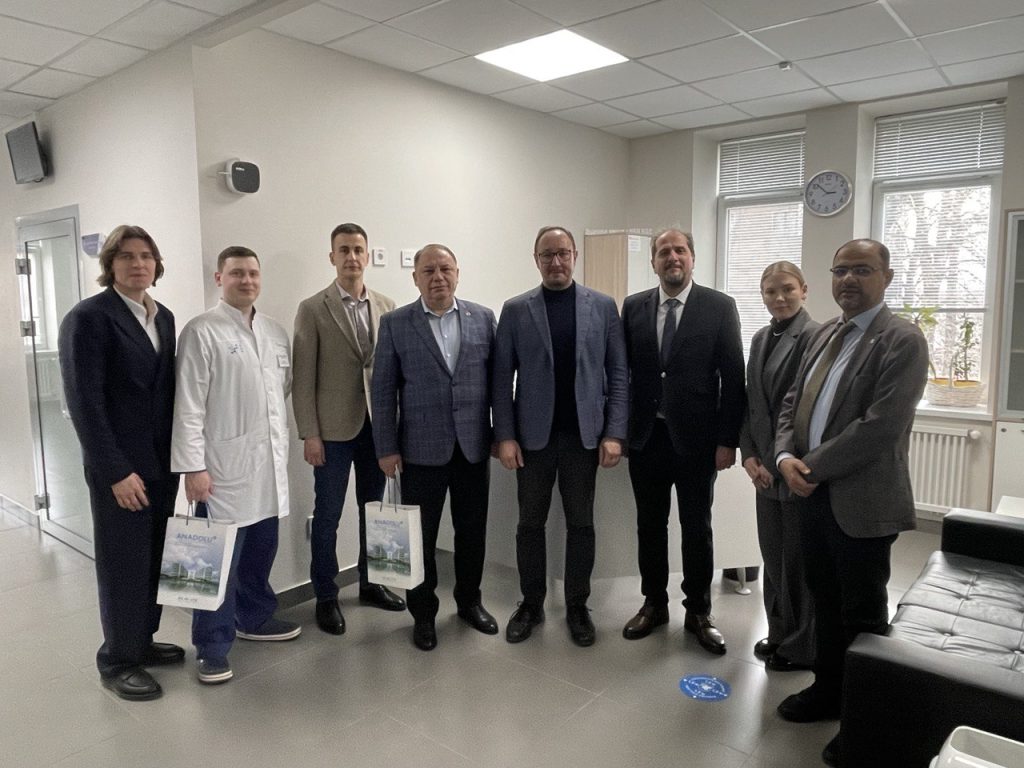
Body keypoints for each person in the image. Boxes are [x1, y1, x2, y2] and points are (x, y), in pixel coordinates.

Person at [774, 238, 928, 766]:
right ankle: (827, 690)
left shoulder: (901, 339)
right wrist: (783, 456)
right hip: (811, 496)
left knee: (861, 613)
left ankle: (864, 722)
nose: (848, 280)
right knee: (823, 598)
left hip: (862, 502)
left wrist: (809, 467)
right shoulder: (824, 333)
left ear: (886, 276)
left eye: (861, 270)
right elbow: (792, 401)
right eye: (840, 270)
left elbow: (880, 427)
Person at [58, 225, 182, 701]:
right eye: (127, 256)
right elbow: (85, 404)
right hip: (120, 468)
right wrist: (115, 472)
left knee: (155, 557)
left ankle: (142, 640)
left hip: (161, 463)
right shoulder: (89, 318)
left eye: (146, 256)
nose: (138, 264)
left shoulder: (163, 317)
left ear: (156, 264)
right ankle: (117, 659)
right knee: (123, 563)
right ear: (110, 264)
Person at [493, 225, 628, 647]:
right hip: (532, 440)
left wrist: (614, 432)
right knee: (529, 524)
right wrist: (505, 436)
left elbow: (618, 374)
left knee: (581, 524)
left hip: (584, 439)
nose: (556, 262)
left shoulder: (602, 307)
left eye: (563, 253)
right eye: (547, 255)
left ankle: (577, 606)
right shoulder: (516, 310)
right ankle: (531, 604)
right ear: (536, 260)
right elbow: (501, 379)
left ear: (574, 256)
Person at [171, 245, 301, 685]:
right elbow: (188, 405)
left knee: (261, 549)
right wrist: (193, 467)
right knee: (217, 560)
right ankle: (211, 646)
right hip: (220, 470)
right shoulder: (201, 331)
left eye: (252, 273)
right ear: (219, 278)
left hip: (267, 467)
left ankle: (255, 618)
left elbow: (280, 390)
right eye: (237, 273)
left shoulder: (275, 331)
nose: (246, 281)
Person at [620, 228, 745, 655]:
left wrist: (727, 440)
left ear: (692, 257)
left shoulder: (719, 306)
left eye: (680, 250)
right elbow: (622, 374)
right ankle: (654, 604)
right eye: (663, 251)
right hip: (646, 439)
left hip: (697, 442)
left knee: (697, 529)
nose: (672, 257)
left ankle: (699, 612)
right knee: (650, 527)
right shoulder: (634, 306)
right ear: (653, 261)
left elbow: (734, 377)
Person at [371, 244, 498, 651]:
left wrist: (501, 434)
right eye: (428, 271)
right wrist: (386, 447)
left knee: (472, 532)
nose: (438, 277)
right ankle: (423, 614)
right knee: (420, 539)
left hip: (473, 448)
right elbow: (383, 390)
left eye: (445, 269)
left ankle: (469, 602)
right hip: (419, 450)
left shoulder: (483, 318)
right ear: (415, 278)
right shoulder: (395, 323)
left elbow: (496, 384)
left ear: (458, 273)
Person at [293, 222, 405, 636]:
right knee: (327, 516)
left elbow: (392, 373)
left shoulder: (387, 306)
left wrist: (395, 429)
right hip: (333, 432)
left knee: (373, 511)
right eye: (344, 250)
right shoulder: (312, 308)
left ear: (367, 255)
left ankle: (371, 584)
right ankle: (326, 596)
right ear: (332, 257)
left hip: (377, 429)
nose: (352, 257)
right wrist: (310, 433)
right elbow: (303, 378)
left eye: (358, 249)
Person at [739, 261, 819, 671]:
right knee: (772, 558)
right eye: (771, 291)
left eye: (787, 289)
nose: (780, 298)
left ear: (804, 289)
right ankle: (778, 633)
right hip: (764, 470)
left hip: (793, 467)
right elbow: (752, 403)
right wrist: (749, 455)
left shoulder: (816, 336)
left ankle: (800, 647)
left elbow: (803, 408)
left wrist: (775, 460)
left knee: (796, 563)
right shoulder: (760, 337)